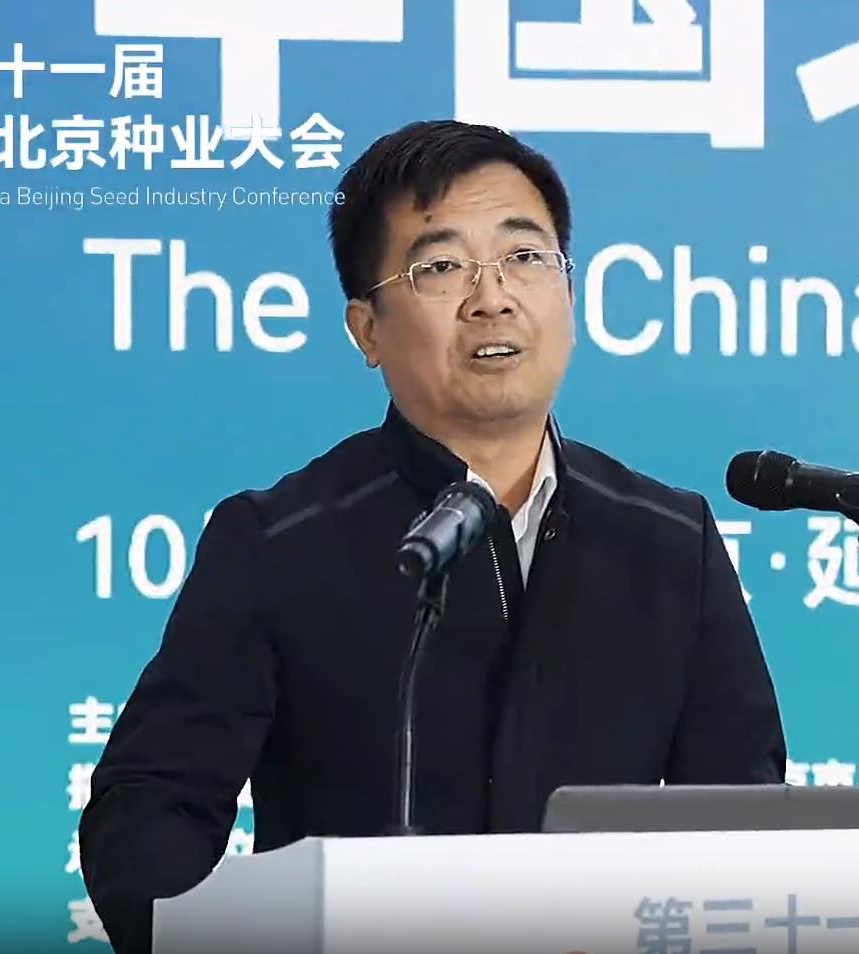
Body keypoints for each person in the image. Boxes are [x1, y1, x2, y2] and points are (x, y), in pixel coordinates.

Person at [78, 119, 787, 954]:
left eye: (525, 256)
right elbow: (147, 814)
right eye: (442, 266)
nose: (494, 297)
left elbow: (745, 826)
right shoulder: (279, 543)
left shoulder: (668, 540)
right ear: (367, 330)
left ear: (569, 293)